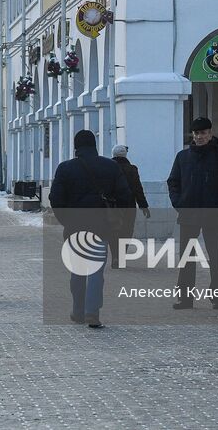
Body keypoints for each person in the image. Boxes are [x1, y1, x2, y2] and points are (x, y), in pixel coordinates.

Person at [49, 129, 131, 328]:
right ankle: (92, 312)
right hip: (101, 226)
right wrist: (119, 218)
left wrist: (66, 220)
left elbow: (56, 199)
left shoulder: (65, 168)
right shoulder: (110, 166)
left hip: (74, 227)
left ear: (76, 147)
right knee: (96, 272)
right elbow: (125, 196)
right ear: (94, 145)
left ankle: (78, 311)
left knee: (77, 271)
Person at [166, 116, 218, 309]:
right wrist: (179, 203)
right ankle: (185, 298)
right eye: (196, 133)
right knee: (187, 257)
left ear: (210, 133)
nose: (200, 136)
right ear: (193, 134)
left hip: (213, 213)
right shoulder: (182, 157)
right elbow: (173, 182)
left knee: (216, 257)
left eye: (203, 133)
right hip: (188, 213)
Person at [110, 144, 150, 268]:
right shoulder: (132, 169)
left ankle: (115, 256)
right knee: (127, 230)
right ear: (125, 155)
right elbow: (138, 188)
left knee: (113, 230)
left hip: (112, 205)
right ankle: (121, 256)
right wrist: (144, 206)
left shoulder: (108, 168)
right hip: (128, 205)